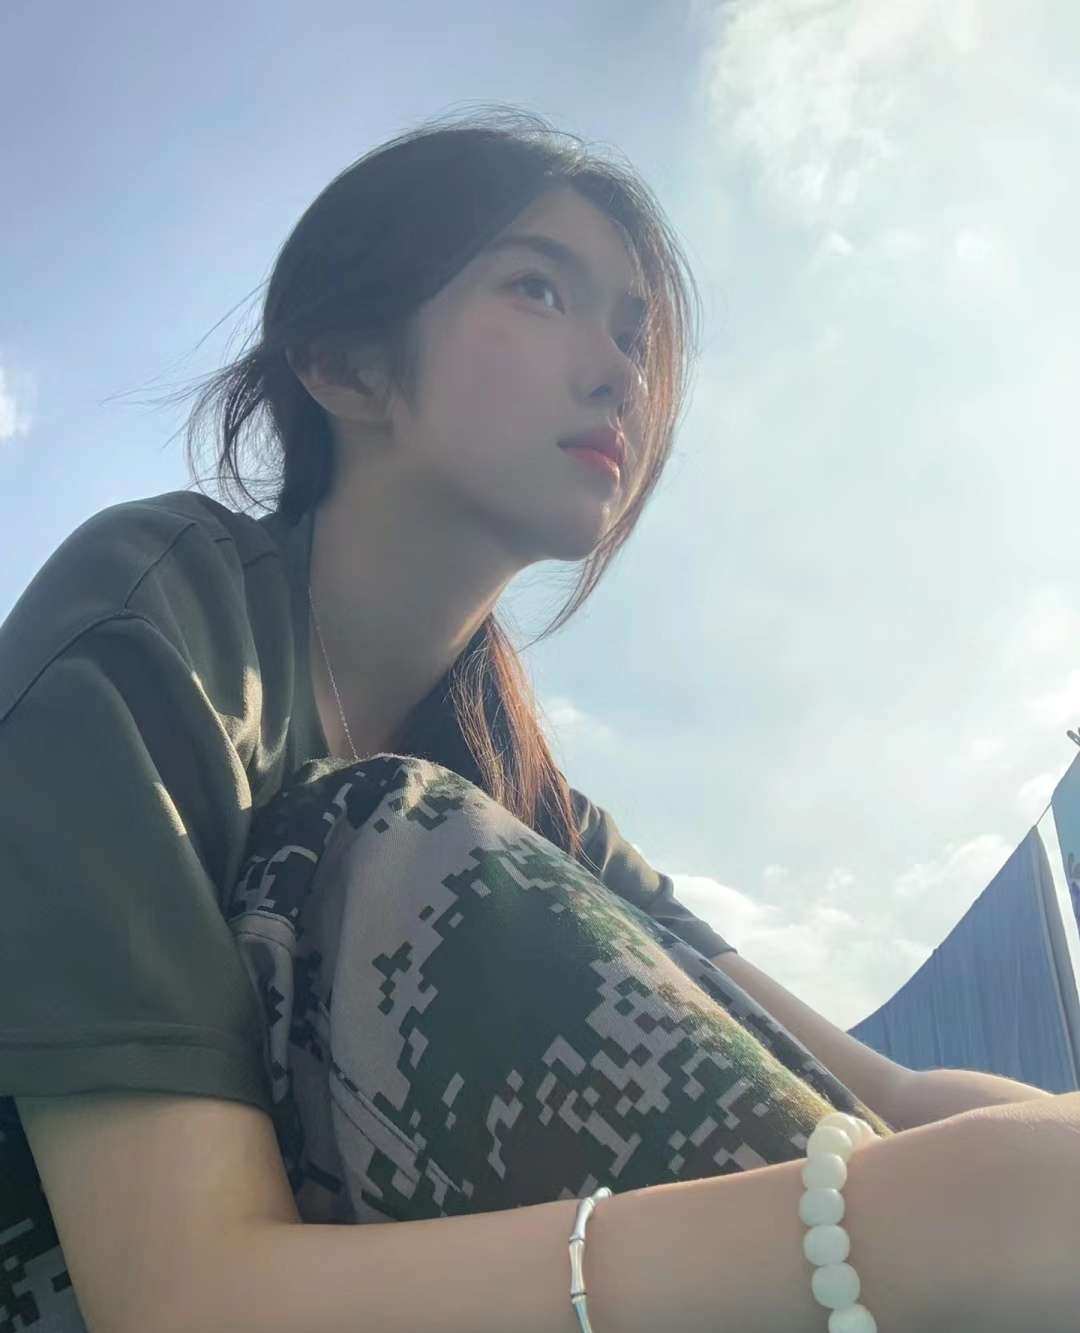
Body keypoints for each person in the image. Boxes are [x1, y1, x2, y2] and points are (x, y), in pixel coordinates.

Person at [1, 105, 1075, 1333]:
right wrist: (872, 1231)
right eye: (539, 290)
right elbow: (182, 1298)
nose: (621, 370)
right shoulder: (158, 620)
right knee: (381, 835)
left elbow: (887, 1092)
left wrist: (1018, 1161)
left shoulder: (527, 793)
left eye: (632, 330)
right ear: (345, 364)